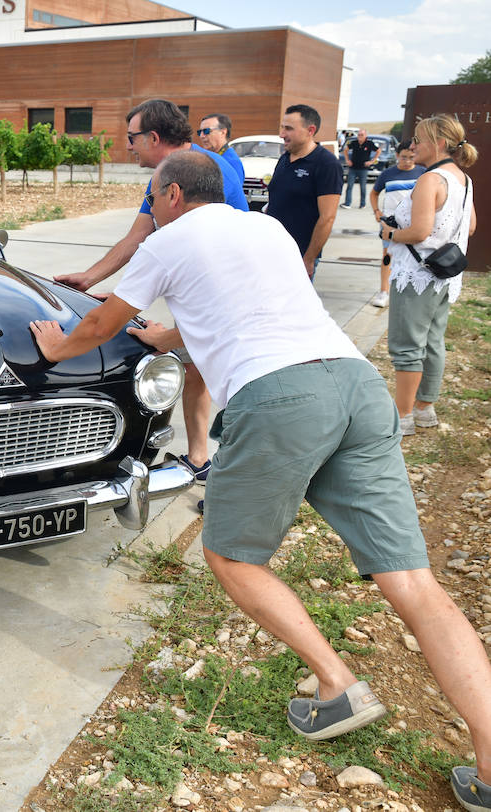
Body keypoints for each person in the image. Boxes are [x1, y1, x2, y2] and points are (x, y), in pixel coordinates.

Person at [30, 149, 491, 811]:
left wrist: (57, 347)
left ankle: (338, 684)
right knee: (415, 583)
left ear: (170, 197)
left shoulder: (168, 237)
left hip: (279, 398)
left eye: (153, 197)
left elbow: (100, 322)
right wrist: (165, 335)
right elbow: (239, 314)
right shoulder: (268, 229)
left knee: (231, 555)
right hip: (354, 381)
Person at [55, 99, 247, 485]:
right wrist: (90, 278)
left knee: (217, 369)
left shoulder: (205, 169)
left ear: (154, 137)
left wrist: (60, 347)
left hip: (225, 287)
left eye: (132, 138)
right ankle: (200, 457)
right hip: (203, 286)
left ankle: (230, 470)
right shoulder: (166, 173)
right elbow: (140, 233)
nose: (129, 146)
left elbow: (206, 243)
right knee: (195, 365)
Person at [380, 114, 478, 436]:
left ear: (438, 143)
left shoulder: (430, 180)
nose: (413, 146)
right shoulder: (463, 179)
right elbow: (471, 226)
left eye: (419, 140)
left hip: (417, 274)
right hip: (445, 274)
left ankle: (403, 415)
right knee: (433, 341)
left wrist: (390, 234)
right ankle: (425, 409)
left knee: (407, 345)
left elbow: (420, 231)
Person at [266, 105, 342, 279]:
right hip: (272, 251)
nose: (282, 134)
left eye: (289, 129)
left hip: (298, 257)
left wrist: (308, 259)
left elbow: (327, 217)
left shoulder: (327, 165)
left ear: (310, 130)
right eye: (282, 127)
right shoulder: (284, 159)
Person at [368, 141, 425, 308]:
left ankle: (406, 291)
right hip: (390, 222)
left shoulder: (423, 173)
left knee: (412, 256)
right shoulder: (388, 174)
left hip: (412, 222)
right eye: (403, 157)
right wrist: (377, 211)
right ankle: (384, 291)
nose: (407, 161)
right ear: (397, 156)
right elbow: (374, 193)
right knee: (388, 255)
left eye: (411, 157)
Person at [196, 113, 245, 182]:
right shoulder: (212, 157)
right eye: (199, 132)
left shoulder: (231, 162)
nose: (201, 136)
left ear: (223, 132)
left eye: (206, 131)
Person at [342, 128, 381, 208]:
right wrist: (347, 160)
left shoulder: (369, 143)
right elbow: (345, 150)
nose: (360, 136)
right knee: (349, 186)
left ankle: (362, 204)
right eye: (359, 135)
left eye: (362, 135)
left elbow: (378, 151)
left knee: (363, 187)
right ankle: (347, 203)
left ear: (365, 136)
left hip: (363, 169)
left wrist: (372, 161)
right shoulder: (354, 143)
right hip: (353, 168)